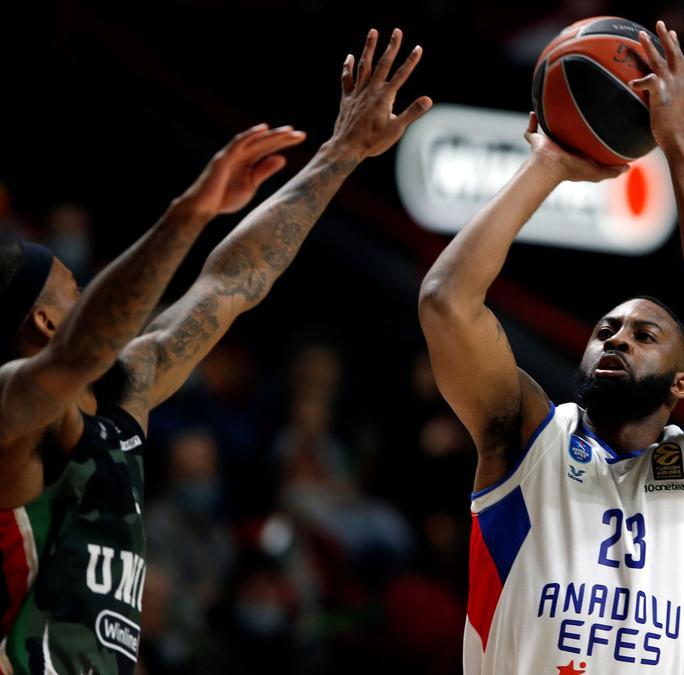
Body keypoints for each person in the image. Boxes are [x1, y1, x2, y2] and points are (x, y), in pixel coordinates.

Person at [0, 27, 430, 673]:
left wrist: (341, 153)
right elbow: (77, 352)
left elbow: (232, 281)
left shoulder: (124, 391)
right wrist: (187, 215)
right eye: (75, 291)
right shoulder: (12, 406)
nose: (89, 293)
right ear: (40, 319)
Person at [419, 20, 684, 674]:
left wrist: (680, 142)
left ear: (683, 384)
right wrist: (547, 165)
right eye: (606, 330)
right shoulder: (526, 437)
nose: (617, 338)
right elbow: (446, 300)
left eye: (644, 334)